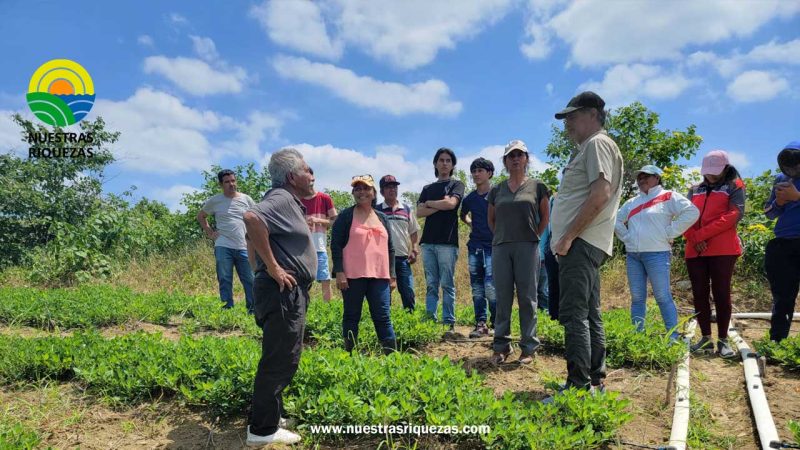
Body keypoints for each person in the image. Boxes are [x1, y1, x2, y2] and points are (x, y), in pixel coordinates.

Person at [550, 91, 623, 394]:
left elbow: (600, 194)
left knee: (574, 314)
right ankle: (594, 379)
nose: (567, 123)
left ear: (593, 114)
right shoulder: (592, 147)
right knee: (590, 312)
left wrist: (568, 236)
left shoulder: (596, 143)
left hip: (580, 242)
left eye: (573, 116)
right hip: (587, 242)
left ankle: (578, 387)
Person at [244, 148, 316, 446]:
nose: (312, 175)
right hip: (282, 292)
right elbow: (251, 218)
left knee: (279, 355)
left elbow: (252, 236)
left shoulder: (288, 201)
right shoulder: (281, 198)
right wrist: (272, 268)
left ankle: (271, 416)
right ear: (291, 177)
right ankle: (262, 430)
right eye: (307, 170)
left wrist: (261, 268)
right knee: (280, 359)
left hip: (282, 292)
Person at [615, 165, 699, 341]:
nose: (642, 180)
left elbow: (692, 212)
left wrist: (671, 232)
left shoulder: (668, 196)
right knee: (637, 298)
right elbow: (616, 220)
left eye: (646, 176)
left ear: (657, 178)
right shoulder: (632, 202)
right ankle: (637, 336)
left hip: (657, 254)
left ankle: (672, 337)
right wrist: (627, 238)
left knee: (662, 296)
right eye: (639, 177)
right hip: (633, 255)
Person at [488, 140, 550, 364]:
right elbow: (491, 219)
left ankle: (529, 348)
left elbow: (545, 217)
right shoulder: (497, 190)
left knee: (528, 297)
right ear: (505, 161)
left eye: (519, 155)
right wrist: (502, 237)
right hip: (502, 247)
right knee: (502, 297)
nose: (515, 159)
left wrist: (533, 236)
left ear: (526, 159)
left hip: (528, 246)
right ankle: (501, 346)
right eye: (511, 156)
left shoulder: (537, 186)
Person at [684, 150, 745, 358]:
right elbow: (684, 216)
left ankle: (723, 340)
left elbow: (733, 215)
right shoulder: (695, 189)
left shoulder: (734, 186)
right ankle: (705, 338)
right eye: (707, 171)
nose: (710, 175)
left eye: (715, 171)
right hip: (695, 250)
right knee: (699, 293)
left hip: (723, 248)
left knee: (721, 292)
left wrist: (700, 235)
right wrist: (694, 238)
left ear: (725, 168)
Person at [331, 175, 398, 354]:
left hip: (380, 276)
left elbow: (391, 248)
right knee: (352, 315)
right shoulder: (345, 216)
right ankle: (350, 355)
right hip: (352, 276)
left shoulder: (382, 218)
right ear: (353, 193)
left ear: (373, 192)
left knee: (383, 316)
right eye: (357, 189)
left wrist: (392, 275)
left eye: (366, 188)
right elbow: (336, 245)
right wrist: (339, 272)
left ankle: (392, 357)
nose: (362, 192)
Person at [417, 148, 465, 331]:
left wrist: (430, 203)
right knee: (431, 284)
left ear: (452, 165)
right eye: (441, 160)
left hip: (447, 242)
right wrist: (441, 204)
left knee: (447, 283)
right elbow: (419, 212)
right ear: (435, 164)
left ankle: (448, 322)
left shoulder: (457, 185)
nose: (444, 163)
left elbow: (452, 204)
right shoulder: (427, 188)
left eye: (448, 160)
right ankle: (430, 321)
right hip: (428, 242)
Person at [197, 169, 256, 311]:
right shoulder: (215, 200)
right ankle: (227, 309)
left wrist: (255, 238)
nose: (231, 184)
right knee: (224, 278)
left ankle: (253, 309)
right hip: (223, 244)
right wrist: (210, 232)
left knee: (250, 279)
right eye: (227, 182)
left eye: (233, 181)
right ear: (221, 184)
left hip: (244, 246)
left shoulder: (246, 199)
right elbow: (201, 216)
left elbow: (257, 218)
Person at [764, 141, 800, 342]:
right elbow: (769, 213)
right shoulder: (781, 179)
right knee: (783, 297)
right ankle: (777, 342)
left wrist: (797, 196)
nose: (793, 171)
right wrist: (779, 202)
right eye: (789, 168)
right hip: (784, 243)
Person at [459, 157, 497, 338]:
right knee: (477, 287)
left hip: (493, 246)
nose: (476, 174)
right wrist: (471, 224)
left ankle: (497, 323)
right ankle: (481, 323)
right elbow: (463, 215)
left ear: (489, 173)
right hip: (474, 246)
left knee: (491, 286)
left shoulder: (498, 194)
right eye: (473, 171)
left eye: (480, 170)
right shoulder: (470, 198)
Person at [377, 175, 421, 312]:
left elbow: (413, 231)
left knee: (407, 290)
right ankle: (385, 318)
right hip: (383, 258)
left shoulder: (406, 209)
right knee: (384, 291)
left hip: (403, 258)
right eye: (388, 187)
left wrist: (414, 249)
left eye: (394, 187)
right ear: (382, 191)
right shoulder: (376, 210)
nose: (392, 190)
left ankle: (410, 317)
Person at [300, 168, 338, 302]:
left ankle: (327, 308)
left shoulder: (325, 198)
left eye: (309, 175)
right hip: (301, 249)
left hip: (319, 247)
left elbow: (335, 221)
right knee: (302, 281)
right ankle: (303, 307)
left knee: (325, 279)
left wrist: (318, 220)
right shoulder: (296, 200)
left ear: (313, 178)